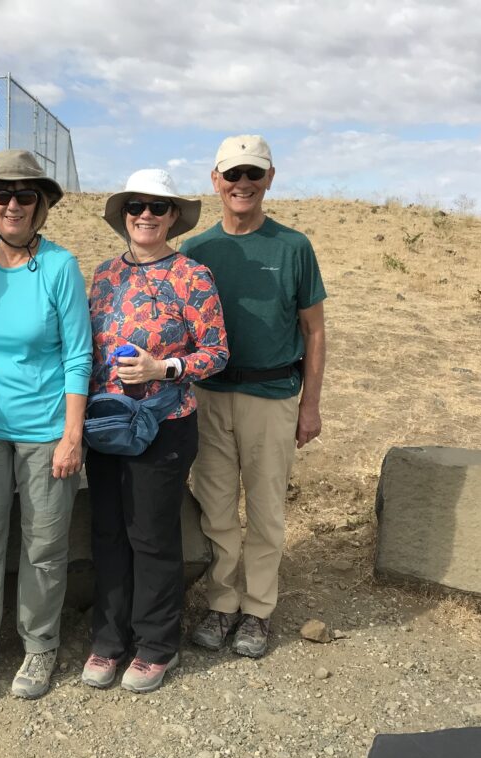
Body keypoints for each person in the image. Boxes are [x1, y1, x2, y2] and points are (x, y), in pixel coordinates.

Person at [82, 169, 228, 693]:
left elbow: (216, 353)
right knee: (106, 532)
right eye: (136, 206)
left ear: (173, 217)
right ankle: (109, 638)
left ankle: (156, 643)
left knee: (151, 535)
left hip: (165, 424)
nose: (146, 215)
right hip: (107, 423)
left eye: (158, 207)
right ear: (123, 215)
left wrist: (161, 369)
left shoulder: (193, 276)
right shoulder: (102, 275)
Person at [182, 135, 327, 659]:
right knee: (216, 506)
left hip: (272, 395)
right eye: (234, 175)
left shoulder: (293, 248)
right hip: (210, 394)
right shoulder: (195, 252)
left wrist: (309, 405)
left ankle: (258, 609)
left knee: (266, 508)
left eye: (254, 174)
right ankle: (222, 602)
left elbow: (314, 330)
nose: (243, 184)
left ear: (270, 178)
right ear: (215, 180)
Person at [0, 149, 92, 700]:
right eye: (2, 196)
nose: (13, 205)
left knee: (43, 545)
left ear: (41, 207)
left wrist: (72, 435)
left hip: (46, 431)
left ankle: (39, 648)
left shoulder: (60, 267)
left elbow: (79, 356)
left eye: (25, 196)